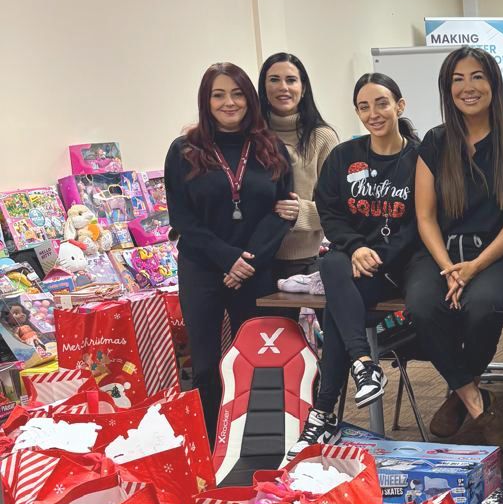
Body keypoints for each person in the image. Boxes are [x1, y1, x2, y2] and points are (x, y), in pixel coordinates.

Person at [407, 45, 503, 452]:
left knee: (481, 304)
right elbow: (425, 217)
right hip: (441, 255)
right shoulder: (434, 142)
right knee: (421, 304)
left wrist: (475, 266)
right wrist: (450, 267)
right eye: (457, 79)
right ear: (447, 90)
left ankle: (456, 392)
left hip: (502, 257)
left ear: (493, 84)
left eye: (477, 77)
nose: (468, 87)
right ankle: (476, 402)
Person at [165, 62, 293, 442]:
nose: (229, 102)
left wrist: (246, 261)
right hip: (202, 268)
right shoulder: (185, 150)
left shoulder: (271, 147)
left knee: (255, 361)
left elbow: (283, 211)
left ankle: (252, 441)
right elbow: (182, 219)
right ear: (206, 100)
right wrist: (227, 258)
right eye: (218, 94)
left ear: (249, 99)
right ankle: (209, 443)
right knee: (205, 365)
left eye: (237, 93)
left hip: (255, 270)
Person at [295, 73, 420, 446]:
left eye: (381, 103)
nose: (373, 113)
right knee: (332, 263)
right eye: (363, 107)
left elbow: (422, 220)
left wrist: (379, 254)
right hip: (354, 265)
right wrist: (354, 246)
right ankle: (364, 366)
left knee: (336, 309)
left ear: (399, 105)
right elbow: (328, 210)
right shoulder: (344, 156)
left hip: (397, 269)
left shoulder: (420, 159)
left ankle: (324, 410)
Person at [257, 52, 339, 289]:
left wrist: (300, 211)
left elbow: (337, 204)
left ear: (303, 88)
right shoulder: (251, 136)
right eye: (274, 79)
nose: (283, 87)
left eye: (291, 80)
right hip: (256, 257)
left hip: (304, 261)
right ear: (263, 88)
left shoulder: (322, 137)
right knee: (266, 327)